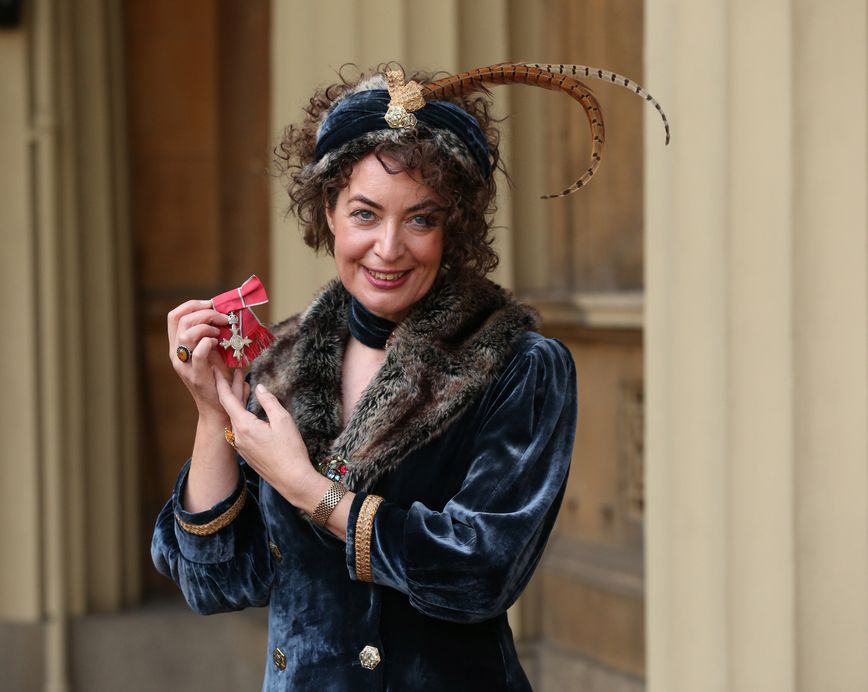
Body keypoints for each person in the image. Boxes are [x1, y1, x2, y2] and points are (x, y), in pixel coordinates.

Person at [152, 62, 665, 690]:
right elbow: (218, 582)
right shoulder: (280, 361)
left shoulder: (519, 367)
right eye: (365, 214)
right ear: (329, 214)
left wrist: (311, 490)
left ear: (456, 229)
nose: (389, 248)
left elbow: (480, 573)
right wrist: (213, 411)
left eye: (420, 219)